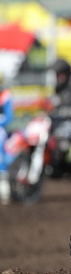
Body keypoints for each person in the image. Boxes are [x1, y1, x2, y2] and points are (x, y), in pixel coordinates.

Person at [0, 73, 13, 204]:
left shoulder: (5, 96)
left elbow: (9, 117)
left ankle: (5, 191)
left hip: (1, 130)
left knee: (1, 160)